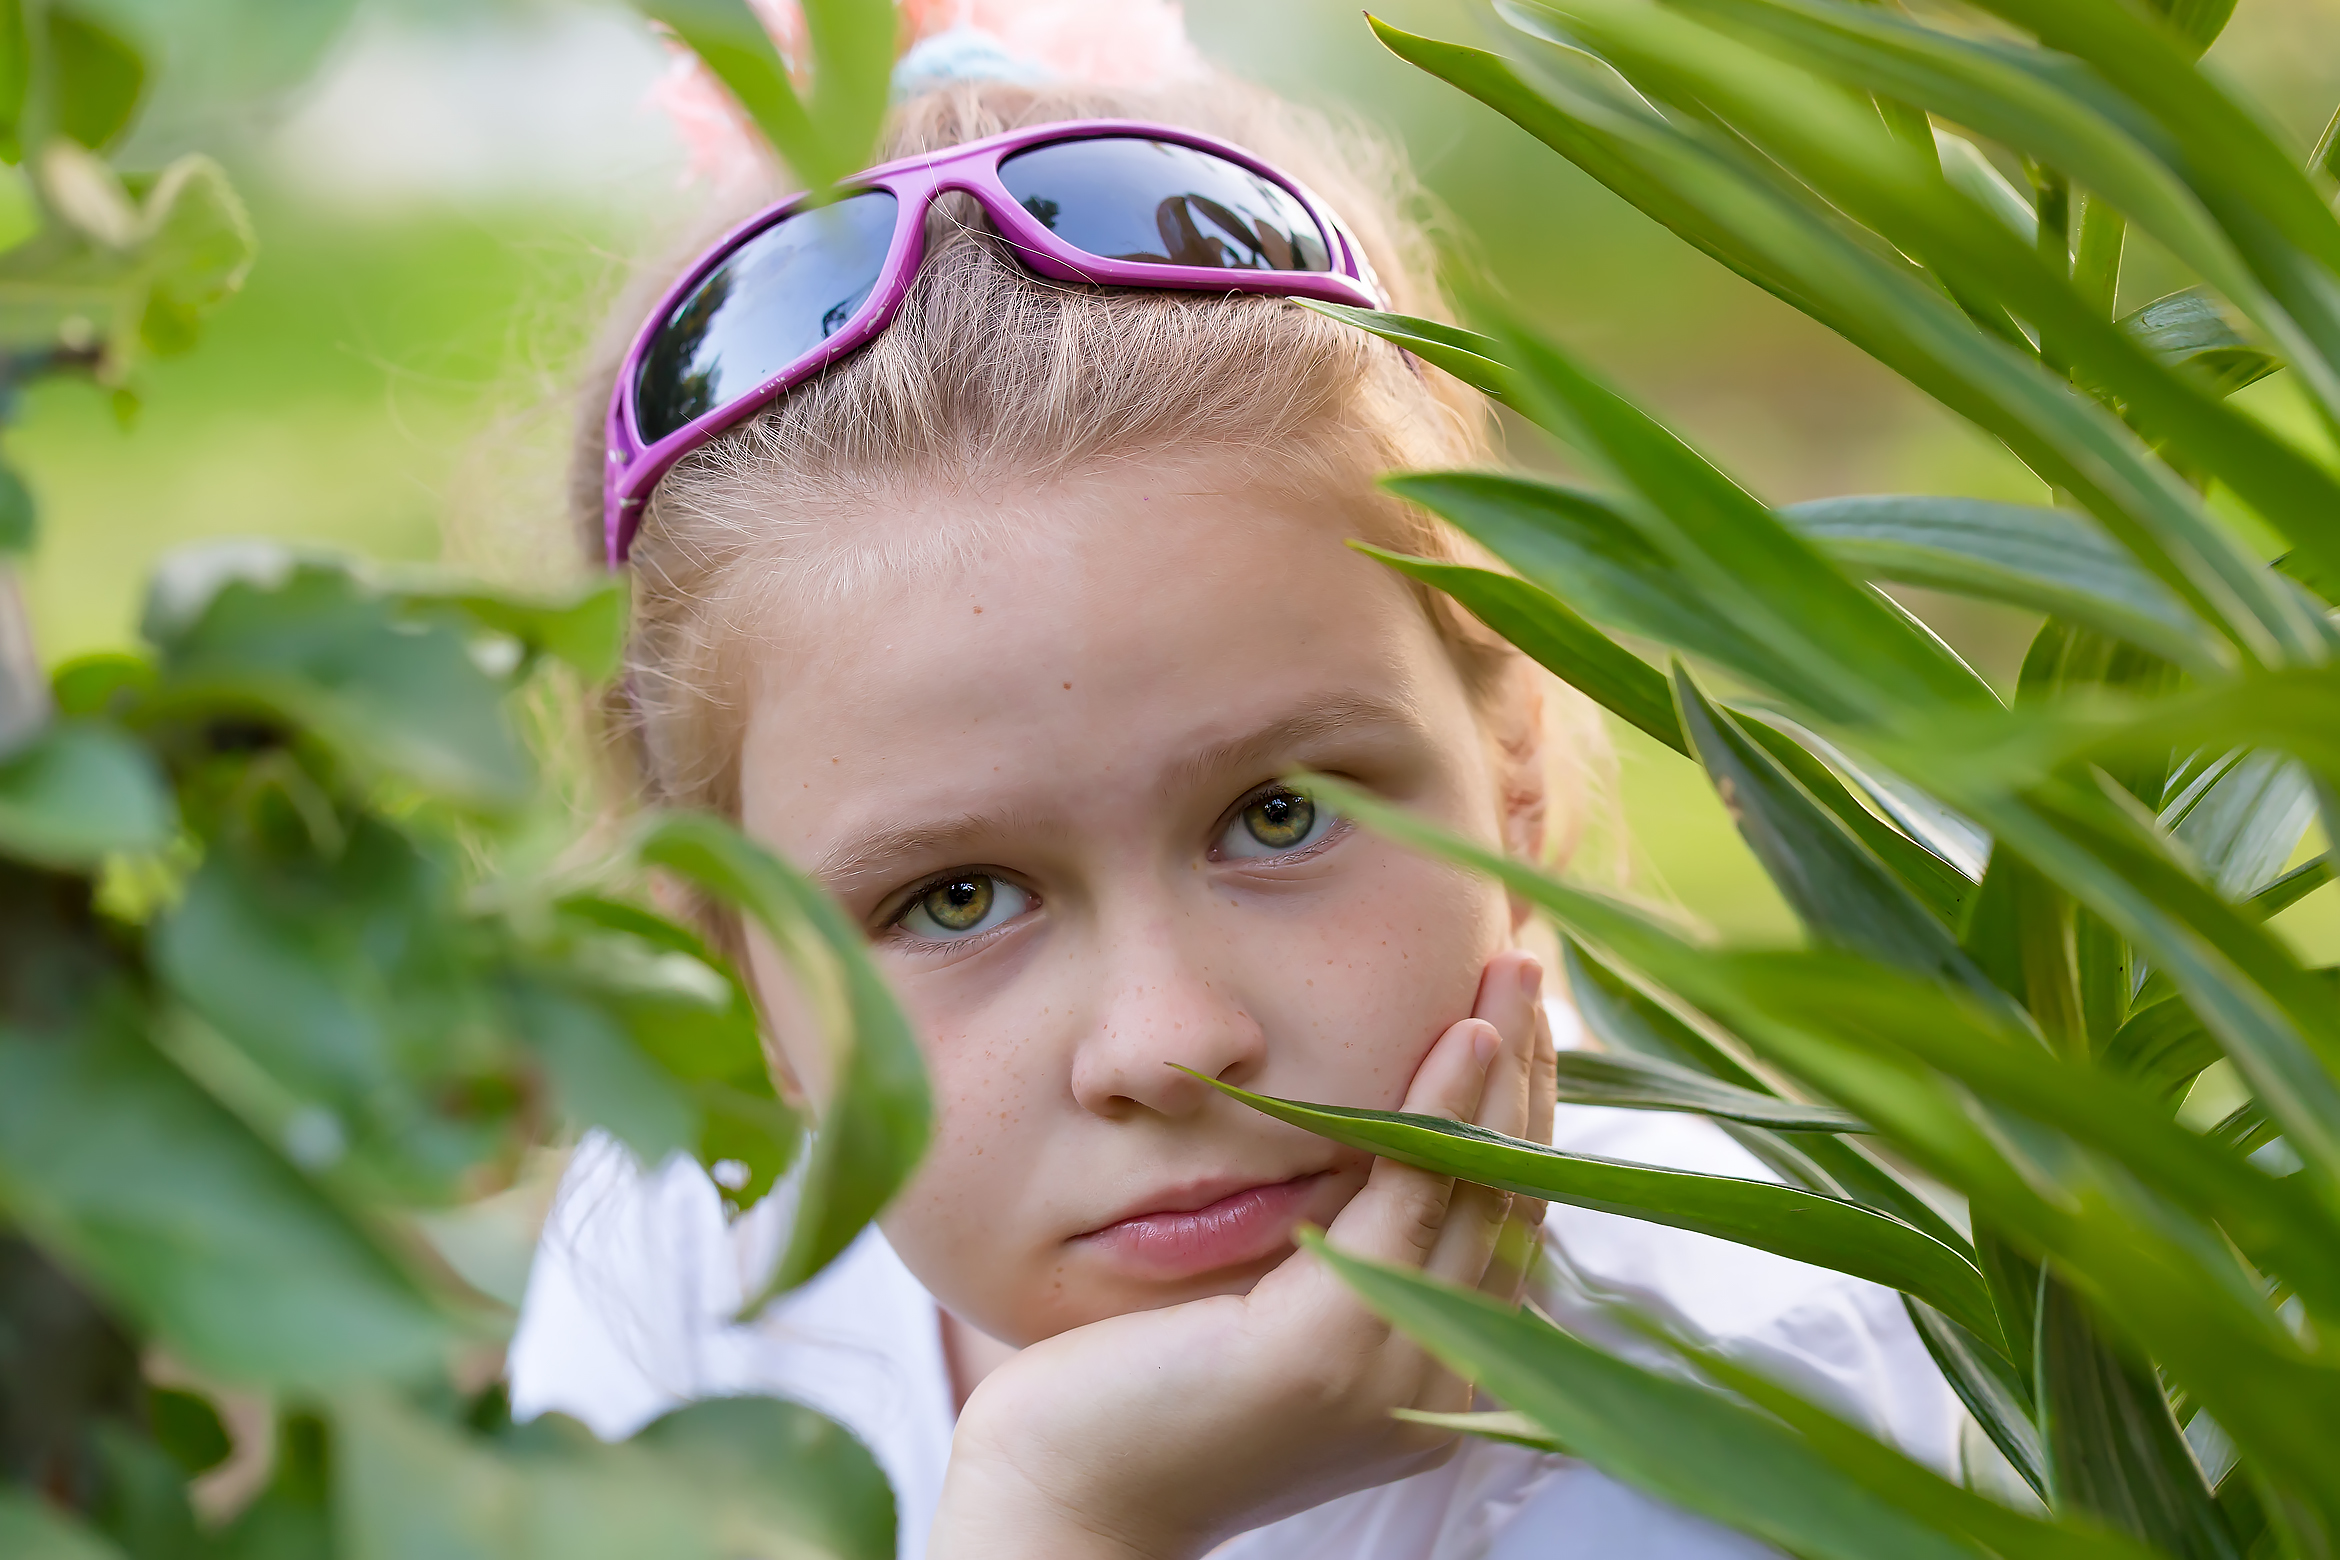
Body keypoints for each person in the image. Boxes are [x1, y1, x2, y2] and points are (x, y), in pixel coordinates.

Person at [508, 5, 1961, 1556]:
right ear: (746, 980)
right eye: (956, 898)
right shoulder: (703, 1269)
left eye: (1279, 815)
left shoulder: (1730, 1420)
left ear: (1513, 758)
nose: (1172, 1039)